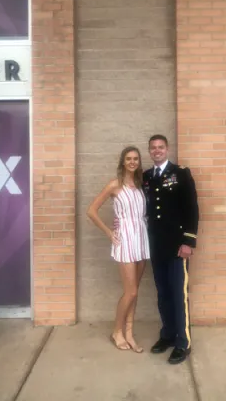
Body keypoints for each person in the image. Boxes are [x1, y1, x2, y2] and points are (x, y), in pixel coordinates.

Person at [87, 146, 150, 353]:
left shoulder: (141, 185)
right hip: (125, 240)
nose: (132, 162)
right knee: (129, 291)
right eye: (129, 159)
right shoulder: (114, 185)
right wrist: (108, 232)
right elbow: (91, 211)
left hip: (141, 238)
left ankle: (129, 333)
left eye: (136, 159)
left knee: (135, 292)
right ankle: (117, 331)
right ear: (123, 162)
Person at [143, 134, 199, 365]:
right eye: (153, 148)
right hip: (156, 246)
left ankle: (182, 343)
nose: (157, 151)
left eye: (161, 147)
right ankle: (167, 335)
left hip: (177, 247)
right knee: (163, 294)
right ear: (150, 151)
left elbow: (192, 209)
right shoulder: (146, 177)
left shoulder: (181, 173)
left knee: (178, 295)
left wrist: (188, 242)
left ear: (167, 149)